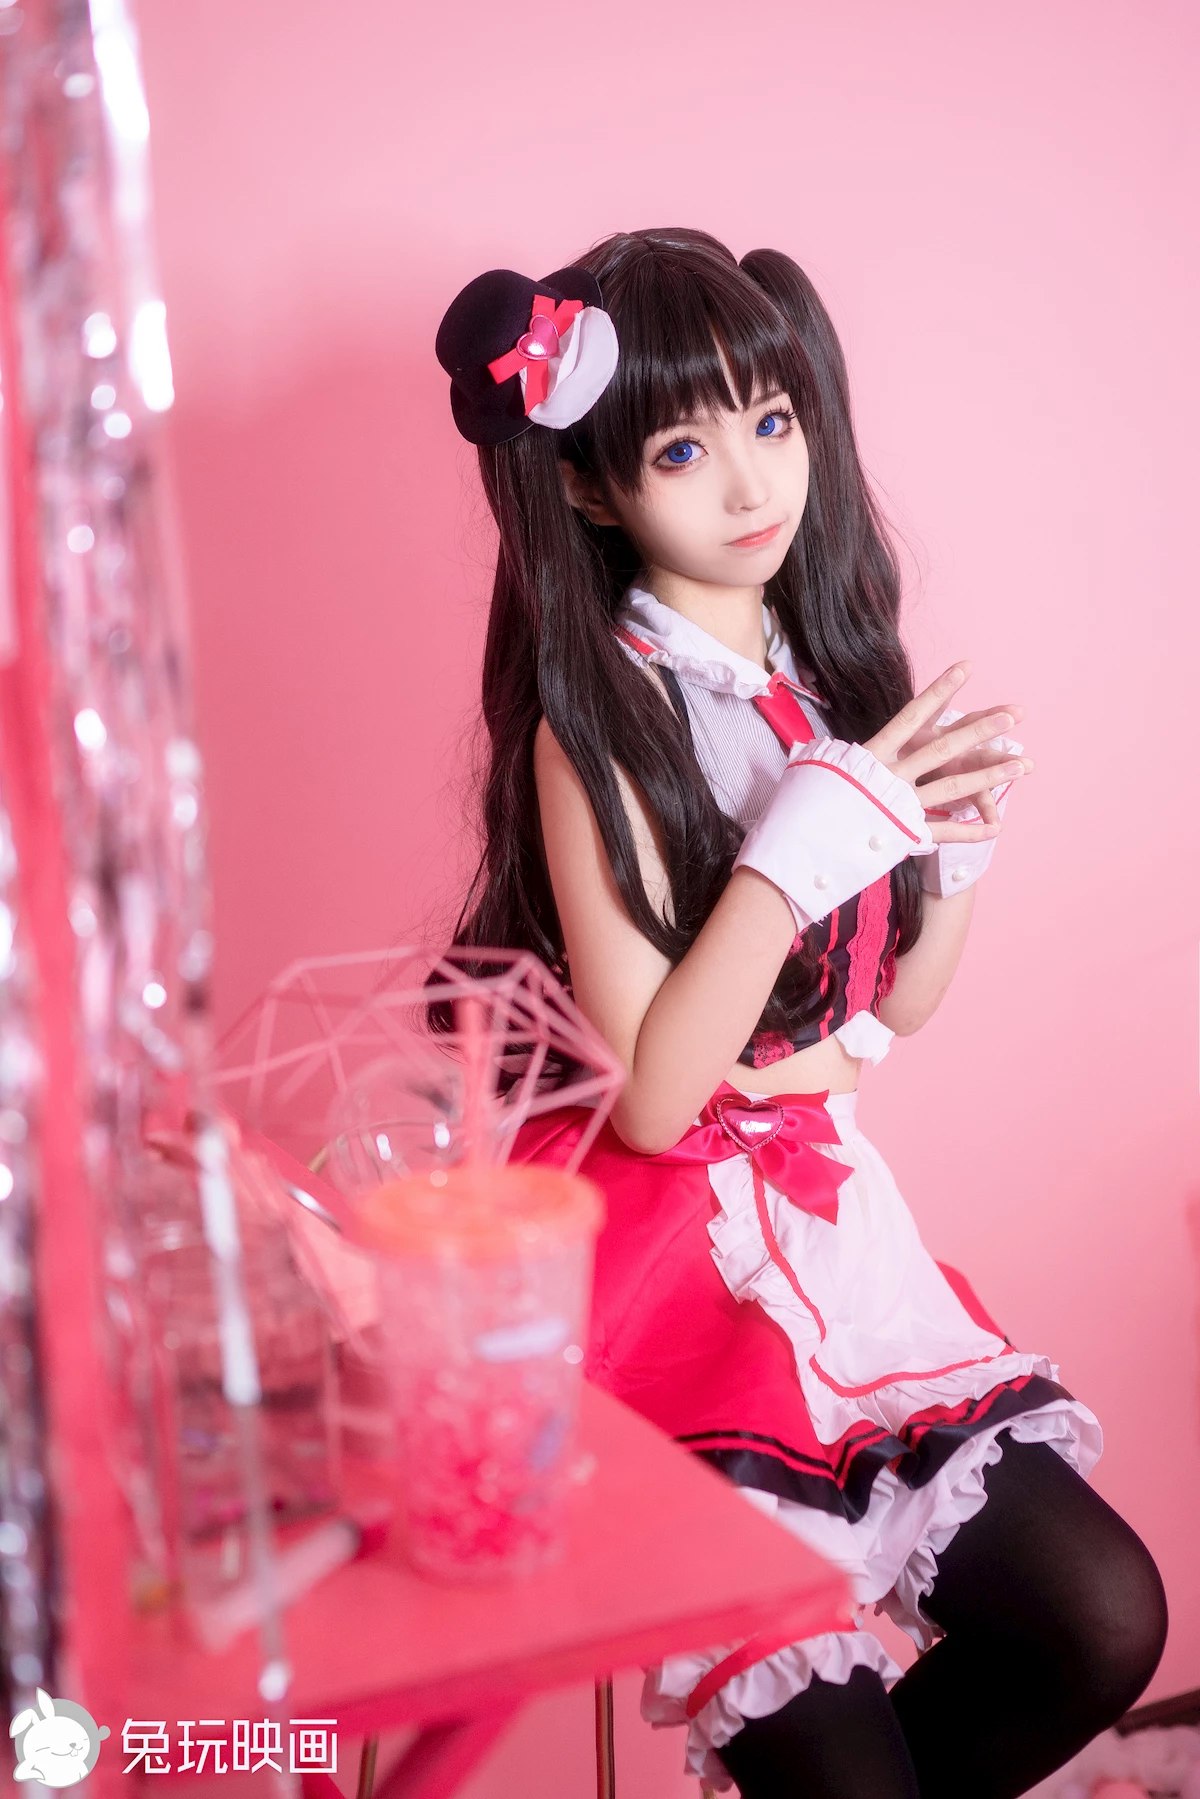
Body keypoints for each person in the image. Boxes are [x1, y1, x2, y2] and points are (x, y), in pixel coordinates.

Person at [432, 228, 1168, 1798]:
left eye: (773, 420)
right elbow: (655, 1095)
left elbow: (892, 1011)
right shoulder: (601, 726)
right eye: (684, 449)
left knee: (1102, 1617)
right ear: (592, 489)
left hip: (831, 1236)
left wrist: (952, 865)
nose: (751, 481)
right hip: (668, 1278)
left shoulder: (822, 692)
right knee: (834, 1754)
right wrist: (790, 861)